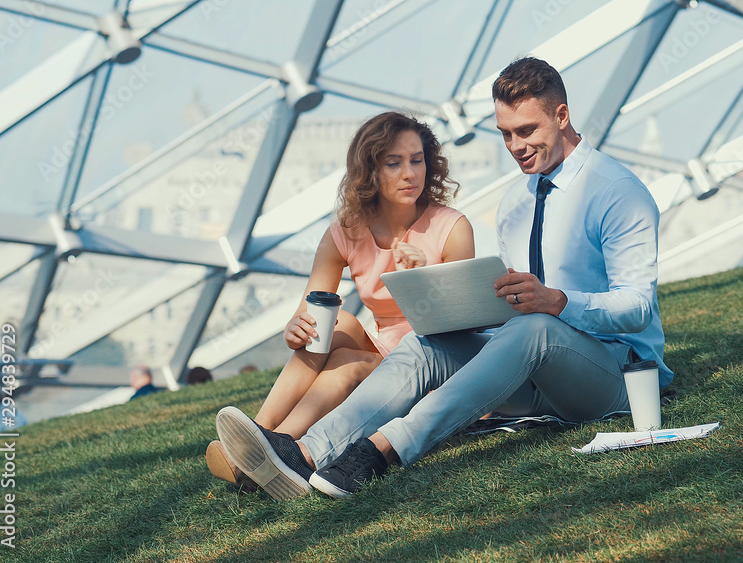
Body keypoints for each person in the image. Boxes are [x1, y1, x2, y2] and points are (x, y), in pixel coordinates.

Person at [215, 57, 672, 501]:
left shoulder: (617, 192)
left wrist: (555, 301)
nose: (516, 146)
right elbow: (508, 315)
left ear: (562, 115)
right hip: (531, 379)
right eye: (506, 134)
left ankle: (385, 448)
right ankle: (304, 453)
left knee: (537, 327)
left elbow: (638, 309)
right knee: (424, 346)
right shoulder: (515, 202)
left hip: (613, 375)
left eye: (527, 131)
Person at [206, 112, 475, 490]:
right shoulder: (345, 233)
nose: (410, 173)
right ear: (370, 171)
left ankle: (271, 449)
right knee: (335, 322)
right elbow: (308, 313)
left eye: (417, 160)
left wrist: (425, 274)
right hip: (384, 347)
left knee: (349, 365)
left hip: (428, 360)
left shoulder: (452, 227)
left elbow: (462, 323)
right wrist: (296, 328)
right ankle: (262, 434)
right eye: (393, 163)